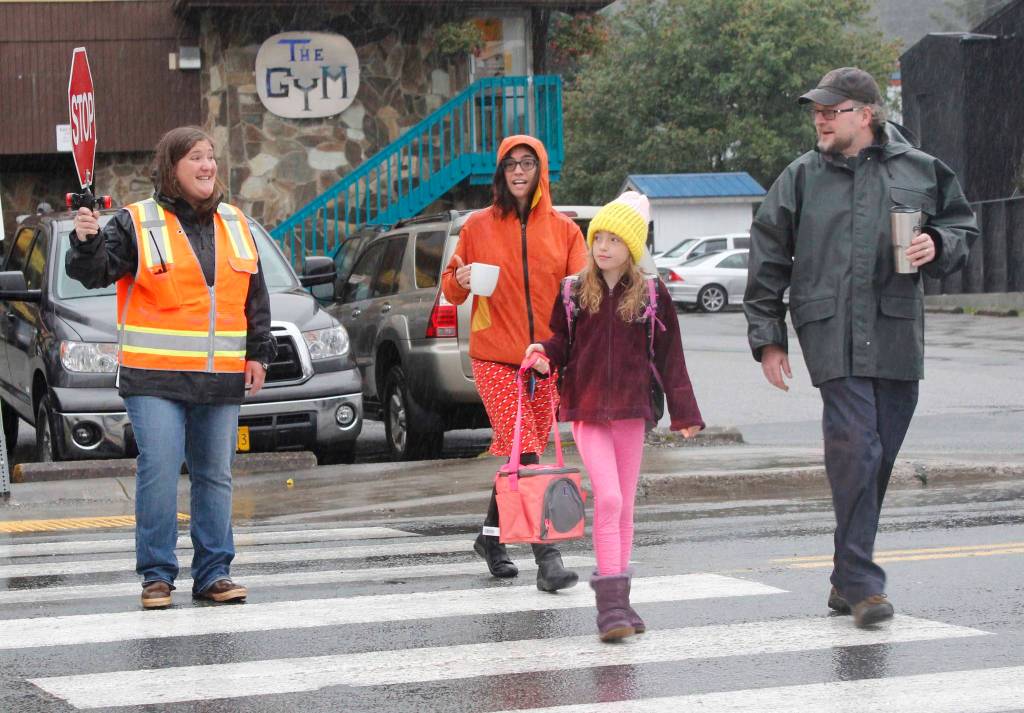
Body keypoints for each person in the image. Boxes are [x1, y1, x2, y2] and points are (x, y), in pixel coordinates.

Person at [743, 67, 979, 628]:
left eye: (831, 109)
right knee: (857, 449)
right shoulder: (801, 177)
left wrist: (938, 242)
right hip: (830, 333)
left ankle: (844, 576)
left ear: (865, 114)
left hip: (897, 331)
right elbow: (768, 257)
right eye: (817, 110)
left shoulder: (922, 170)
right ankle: (864, 587)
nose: (819, 118)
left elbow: (963, 228)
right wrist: (769, 340)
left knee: (878, 458)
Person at [66, 126, 277, 610]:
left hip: (220, 373)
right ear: (171, 169)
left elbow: (254, 296)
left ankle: (214, 573)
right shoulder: (136, 221)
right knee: (160, 469)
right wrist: (86, 240)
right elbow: (93, 272)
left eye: (210, 157)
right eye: (195, 158)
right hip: (153, 375)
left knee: (215, 474)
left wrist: (258, 353)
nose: (207, 166)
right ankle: (157, 576)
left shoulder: (235, 222)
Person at [525, 191, 704, 641]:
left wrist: (684, 412)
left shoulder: (651, 293)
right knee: (607, 499)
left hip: (631, 410)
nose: (602, 246)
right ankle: (609, 610)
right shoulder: (572, 291)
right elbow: (559, 343)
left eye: (613, 239)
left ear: (632, 247)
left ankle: (622, 603)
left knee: (624, 507)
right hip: (586, 409)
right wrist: (543, 354)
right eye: (597, 237)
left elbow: (670, 357)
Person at [441, 134, 588, 592]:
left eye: (528, 163)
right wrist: (460, 278)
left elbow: (582, 291)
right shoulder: (478, 226)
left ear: (540, 171)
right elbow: (451, 288)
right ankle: (549, 556)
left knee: (521, 455)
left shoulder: (565, 230)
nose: (520, 172)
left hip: (545, 359)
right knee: (524, 451)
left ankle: (489, 537)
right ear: (501, 174)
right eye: (511, 165)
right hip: (495, 357)